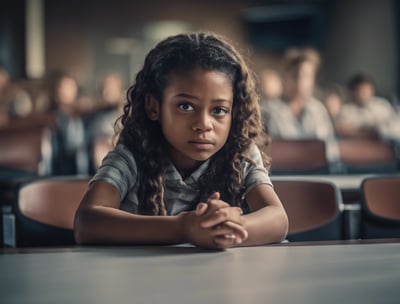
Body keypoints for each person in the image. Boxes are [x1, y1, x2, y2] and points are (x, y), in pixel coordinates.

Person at [74, 32, 289, 250]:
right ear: (153, 106)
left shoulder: (240, 152)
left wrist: (226, 228)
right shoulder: (132, 155)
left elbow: (278, 219)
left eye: (219, 110)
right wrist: (184, 228)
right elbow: (86, 222)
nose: (204, 124)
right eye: (185, 106)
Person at [262, 47, 340, 163]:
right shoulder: (267, 110)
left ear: (313, 80)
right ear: (285, 77)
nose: (300, 81)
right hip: (279, 175)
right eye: (295, 75)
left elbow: (331, 153)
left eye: (307, 76)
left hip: (315, 173)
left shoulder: (318, 110)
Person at [334, 73, 400, 141]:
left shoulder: (382, 106)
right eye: (361, 90)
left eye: (367, 89)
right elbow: (341, 130)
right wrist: (369, 133)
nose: (365, 93)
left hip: (382, 145)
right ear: (353, 91)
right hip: (356, 145)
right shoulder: (346, 110)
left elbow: (394, 127)